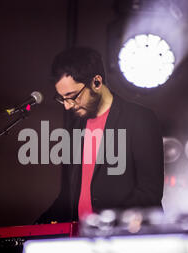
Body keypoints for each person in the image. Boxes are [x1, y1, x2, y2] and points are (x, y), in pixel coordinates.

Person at [36, 47, 164, 225]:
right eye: (61, 98)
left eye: (72, 96)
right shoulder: (74, 129)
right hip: (82, 242)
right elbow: (68, 196)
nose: (67, 106)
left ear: (96, 82)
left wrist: (105, 223)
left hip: (126, 240)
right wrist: (34, 228)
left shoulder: (139, 118)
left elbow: (149, 192)